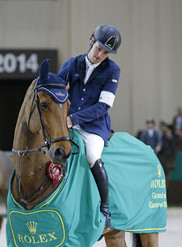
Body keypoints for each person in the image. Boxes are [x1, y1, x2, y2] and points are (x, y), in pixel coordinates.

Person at [58, 24, 121, 229]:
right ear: (92, 40)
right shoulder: (72, 64)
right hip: (68, 123)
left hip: (94, 126)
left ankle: (105, 208)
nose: (100, 54)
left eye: (106, 52)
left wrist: (72, 119)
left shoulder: (113, 70)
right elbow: (57, 92)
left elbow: (103, 106)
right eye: (99, 48)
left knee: (93, 156)